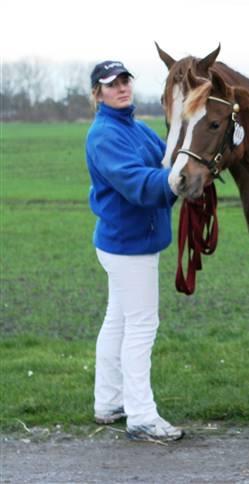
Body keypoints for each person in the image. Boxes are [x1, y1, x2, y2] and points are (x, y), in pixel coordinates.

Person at [85, 60, 182, 442]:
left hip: (126, 241)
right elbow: (137, 182)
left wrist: (190, 167)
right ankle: (141, 416)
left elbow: (169, 160)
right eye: (111, 84)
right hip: (129, 246)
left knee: (119, 321)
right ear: (98, 93)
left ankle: (108, 402)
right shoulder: (105, 135)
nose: (121, 88)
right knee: (142, 325)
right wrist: (177, 181)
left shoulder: (136, 129)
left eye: (125, 81)